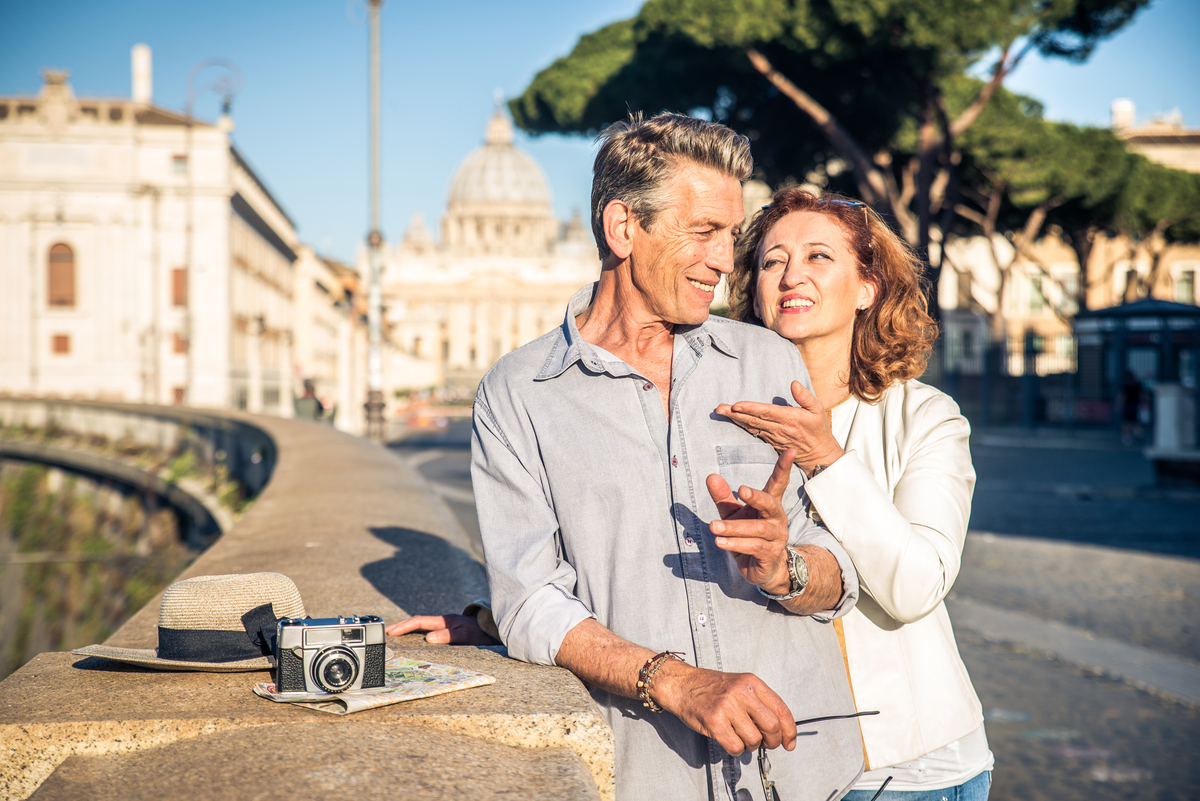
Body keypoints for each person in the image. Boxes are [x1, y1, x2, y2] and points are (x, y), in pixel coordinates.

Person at [392, 113, 865, 801]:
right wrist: (675, 682)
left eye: (731, 235)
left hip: (804, 773)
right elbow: (530, 600)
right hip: (648, 774)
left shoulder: (768, 362)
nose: (726, 260)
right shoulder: (518, 393)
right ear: (622, 228)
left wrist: (785, 566)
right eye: (704, 232)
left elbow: (838, 565)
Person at [717, 188, 993, 799]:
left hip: (908, 771)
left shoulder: (927, 418)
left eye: (819, 256)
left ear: (868, 288)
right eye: (771, 261)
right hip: (772, 763)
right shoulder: (722, 415)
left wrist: (825, 456)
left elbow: (917, 586)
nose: (791, 275)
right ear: (754, 293)